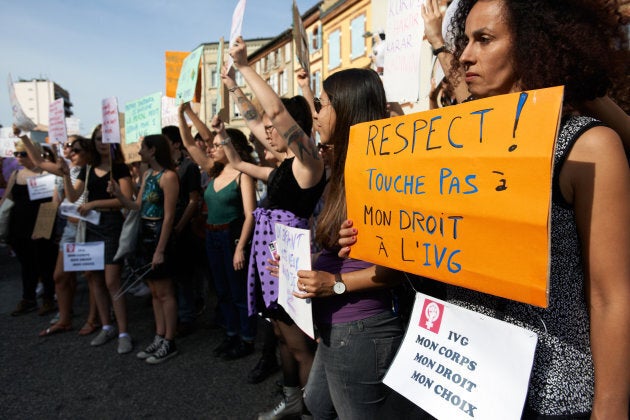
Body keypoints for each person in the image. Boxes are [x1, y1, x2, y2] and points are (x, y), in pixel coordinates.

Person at [340, 0, 630, 417]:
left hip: (549, 395)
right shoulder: (459, 146)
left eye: (485, 40)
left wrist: (611, 410)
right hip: (461, 380)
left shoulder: (588, 147)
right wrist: (378, 236)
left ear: (532, 45)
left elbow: (610, 297)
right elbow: (437, 248)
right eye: (465, 40)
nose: (465, 55)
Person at [221, 42, 327, 419]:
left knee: (299, 345)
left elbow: (274, 111)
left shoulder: (308, 164)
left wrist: (245, 67)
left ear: (292, 128)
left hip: (292, 263)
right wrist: (232, 86)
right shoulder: (281, 168)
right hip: (271, 263)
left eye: (273, 127)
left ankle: (313, 410)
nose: (265, 130)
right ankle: (292, 400)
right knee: (281, 336)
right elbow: (253, 120)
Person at [178, 106, 258, 360]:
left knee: (237, 292)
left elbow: (250, 215)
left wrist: (239, 247)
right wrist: (184, 114)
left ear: (229, 145)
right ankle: (231, 334)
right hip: (212, 237)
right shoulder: (214, 170)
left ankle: (246, 339)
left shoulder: (243, 174)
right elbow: (190, 145)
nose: (210, 149)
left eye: (216, 145)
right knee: (221, 291)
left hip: (231, 238)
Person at [15, 132, 101, 336]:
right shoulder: (65, 169)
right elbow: (38, 162)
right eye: (68, 145)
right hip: (69, 229)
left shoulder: (92, 170)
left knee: (90, 277)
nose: (69, 149)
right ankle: (64, 319)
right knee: (60, 276)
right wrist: (24, 137)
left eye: (75, 147)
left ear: (87, 151)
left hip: (88, 226)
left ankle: (93, 319)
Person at [63, 125, 135, 354]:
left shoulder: (120, 168)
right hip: (92, 227)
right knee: (94, 278)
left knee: (112, 280)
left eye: (104, 138)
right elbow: (73, 196)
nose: (100, 142)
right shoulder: (88, 168)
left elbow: (125, 201)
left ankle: (123, 332)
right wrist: (65, 175)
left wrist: (95, 203)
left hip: (112, 226)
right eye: (96, 138)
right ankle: (106, 326)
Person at [109, 134, 180, 364]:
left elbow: (169, 217)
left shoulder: (168, 177)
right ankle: (159, 335)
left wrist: (160, 249)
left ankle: (170, 340)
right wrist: (119, 195)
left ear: (153, 150)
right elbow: (136, 206)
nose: (139, 151)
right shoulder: (147, 174)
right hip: (145, 237)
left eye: (142, 148)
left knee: (165, 292)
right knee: (154, 292)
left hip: (160, 235)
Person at [1, 138, 57, 317]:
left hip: (41, 224)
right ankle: (28, 298)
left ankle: (49, 298)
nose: (18, 157)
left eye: (23, 153)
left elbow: (51, 204)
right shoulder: (16, 175)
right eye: (16, 154)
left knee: (45, 263)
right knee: (26, 264)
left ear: (35, 153)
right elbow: (7, 199)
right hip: (19, 226)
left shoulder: (45, 175)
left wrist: (43, 227)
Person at [161, 125, 202, 337]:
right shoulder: (165, 169)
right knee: (172, 274)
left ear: (176, 143)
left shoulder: (189, 167)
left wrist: (179, 226)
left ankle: (187, 316)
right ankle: (175, 315)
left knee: (184, 275)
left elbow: (194, 200)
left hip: (182, 229)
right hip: (168, 228)